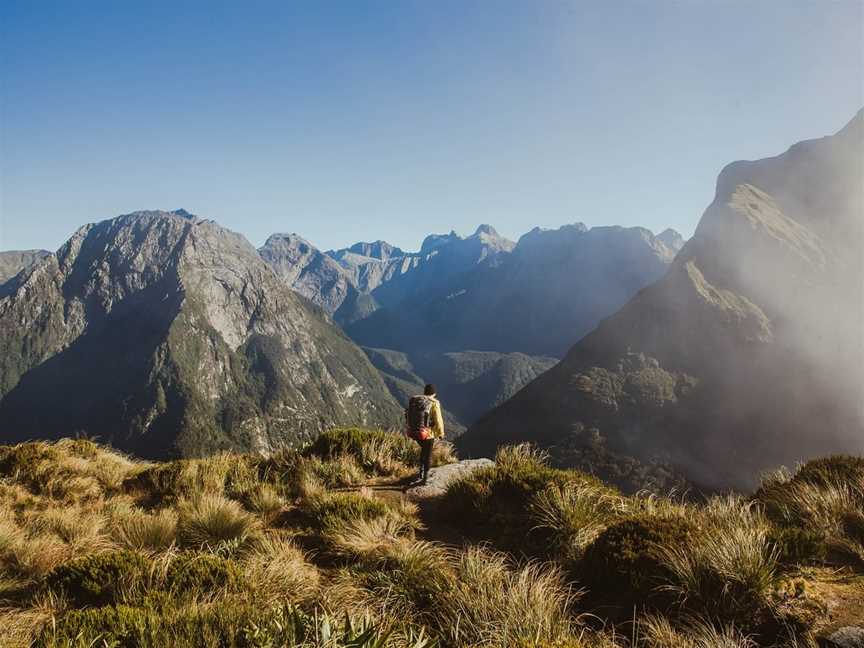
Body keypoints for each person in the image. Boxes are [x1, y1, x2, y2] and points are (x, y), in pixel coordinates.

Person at [404, 383, 444, 485]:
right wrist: (441, 433)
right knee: (428, 454)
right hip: (427, 434)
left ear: (425, 392)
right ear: (434, 393)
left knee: (423, 451)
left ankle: (420, 474)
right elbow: (438, 420)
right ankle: (425, 478)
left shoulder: (416, 400)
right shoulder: (433, 403)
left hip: (413, 432)